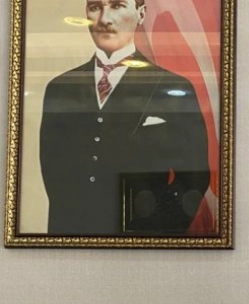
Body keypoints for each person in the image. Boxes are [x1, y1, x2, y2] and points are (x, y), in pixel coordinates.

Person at [39, 0, 210, 235]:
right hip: (71, 238)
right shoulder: (60, 88)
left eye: (117, 5)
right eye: (95, 7)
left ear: (141, 14)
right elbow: (53, 172)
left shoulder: (173, 87)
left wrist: (157, 230)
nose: (104, 19)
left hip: (143, 239)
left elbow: (194, 177)